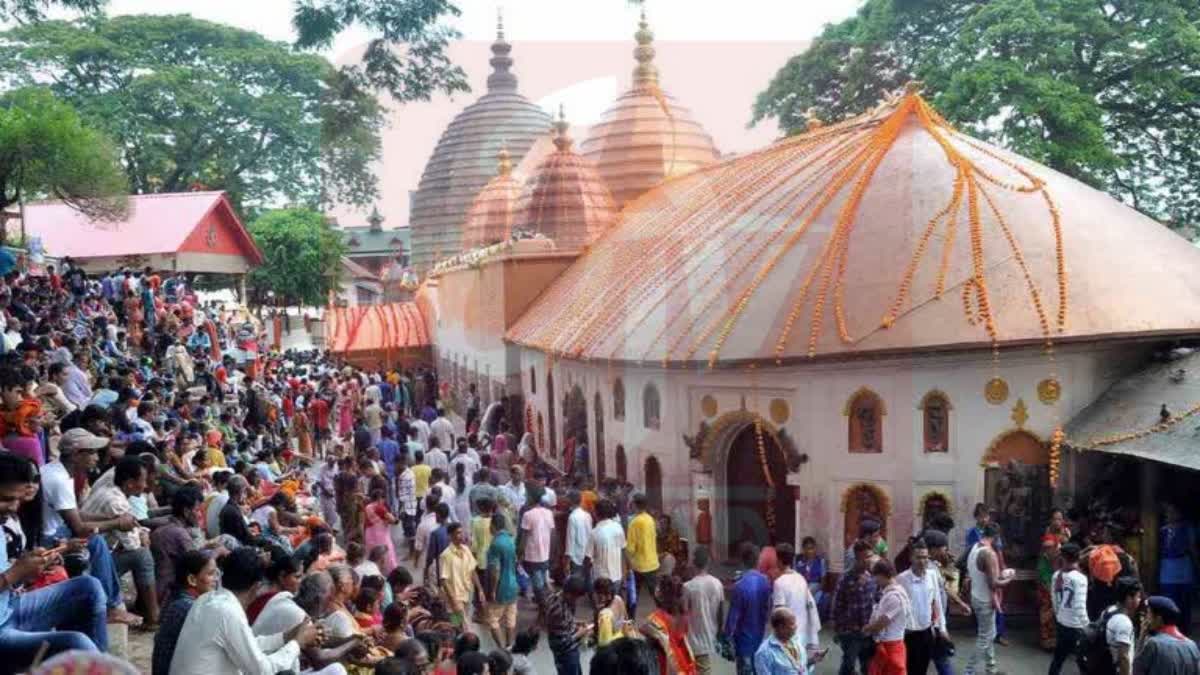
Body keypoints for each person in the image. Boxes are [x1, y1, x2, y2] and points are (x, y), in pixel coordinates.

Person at [0, 451, 108, 667]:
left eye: (18, 500)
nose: (14, 507)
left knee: (89, 588)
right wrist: (16, 573)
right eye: (6, 499)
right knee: (75, 644)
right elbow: (9, 576)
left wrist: (30, 566)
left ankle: (100, 664)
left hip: (10, 608)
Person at [168, 546, 322, 674]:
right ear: (257, 587)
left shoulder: (208, 600)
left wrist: (286, 637)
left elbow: (248, 644)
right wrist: (297, 643)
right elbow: (262, 670)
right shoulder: (226, 611)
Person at [152, 550, 217, 675]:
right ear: (192, 579)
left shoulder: (176, 598)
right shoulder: (188, 608)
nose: (215, 580)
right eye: (210, 574)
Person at [964, 524, 1012, 675]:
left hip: (976, 596)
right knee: (985, 637)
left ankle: (991, 668)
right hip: (985, 600)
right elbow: (994, 583)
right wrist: (1010, 578)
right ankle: (969, 671)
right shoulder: (988, 553)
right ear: (996, 537)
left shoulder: (974, 548)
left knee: (988, 633)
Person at [896, 537, 947, 674]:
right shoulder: (902, 579)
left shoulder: (932, 575)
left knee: (922, 669)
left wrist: (942, 628)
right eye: (918, 557)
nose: (922, 561)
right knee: (909, 669)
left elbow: (937, 603)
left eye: (925, 557)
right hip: (908, 634)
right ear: (911, 558)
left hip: (926, 632)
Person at [724, 542, 772, 675]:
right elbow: (769, 610)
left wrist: (726, 637)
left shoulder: (739, 586)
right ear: (758, 560)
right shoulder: (766, 582)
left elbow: (733, 618)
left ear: (742, 560)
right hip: (761, 637)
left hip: (744, 642)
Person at [833, 539, 878, 675]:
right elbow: (837, 606)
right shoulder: (845, 579)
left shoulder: (872, 576)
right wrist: (839, 630)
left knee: (868, 666)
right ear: (858, 559)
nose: (870, 560)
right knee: (848, 665)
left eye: (871, 556)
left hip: (869, 631)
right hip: (851, 632)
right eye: (867, 557)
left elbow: (877, 600)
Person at [640, 575, 698, 675]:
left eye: (658, 590)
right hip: (683, 662)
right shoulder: (683, 615)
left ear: (662, 595)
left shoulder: (656, 618)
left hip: (666, 664)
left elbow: (643, 629)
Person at [772, 543, 822, 654]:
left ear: (779, 561)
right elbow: (810, 605)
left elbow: (779, 614)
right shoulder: (801, 579)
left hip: (788, 636)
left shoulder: (779, 583)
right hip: (802, 634)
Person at [863, 559, 910, 675]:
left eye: (876, 577)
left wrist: (867, 629)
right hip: (889, 645)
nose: (876, 581)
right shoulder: (892, 593)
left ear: (882, 575)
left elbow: (881, 623)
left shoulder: (894, 596)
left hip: (891, 646)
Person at [683, 547, 724, 675]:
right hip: (711, 632)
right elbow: (721, 611)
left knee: (700, 669)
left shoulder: (688, 586)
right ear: (708, 563)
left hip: (694, 636)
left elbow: (684, 612)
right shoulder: (717, 583)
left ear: (693, 563)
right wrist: (719, 631)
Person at [1050, 542, 1089, 675]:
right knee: (1083, 661)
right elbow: (1079, 606)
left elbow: (1054, 599)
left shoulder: (1057, 575)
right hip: (1076, 626)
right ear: (1078, 557)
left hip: (1062, 623)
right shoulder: (1080, 578)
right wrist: (1087, 626)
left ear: (1063, 557)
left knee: (1058, 659)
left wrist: (1058, 616)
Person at [1135, 595, 1200, 675]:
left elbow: (1136, 670)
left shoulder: (1154, 644)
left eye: (1148, 613)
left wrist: (1142, 636)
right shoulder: (1192, 646)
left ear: (1159, 619)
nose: (1146, 618)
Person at [1159, 503, 1197, 634]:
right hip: (1167, 570)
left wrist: (1196, 564)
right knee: (1170, 600)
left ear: (1179, 514)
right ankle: (1171, 628)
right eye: (1167, 512)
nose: (1169, 515)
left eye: (1172, 511)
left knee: (1184, 601)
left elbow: (1192, 549)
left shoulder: (1187, 528)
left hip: (1183, 568)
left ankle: (1185, 630)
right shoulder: (1162, 531)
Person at [439, 522, 484, 629]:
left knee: (458, 625)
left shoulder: (466, 550)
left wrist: (480, 589)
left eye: (462, 533)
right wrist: (453, 600)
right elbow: (444, 581)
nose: (461, 536)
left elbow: (472, 571)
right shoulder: (446, 555)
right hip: (454, 597)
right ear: (450, 536)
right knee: (462, 626)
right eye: (458, 533)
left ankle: (459, 642)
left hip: (467, 594)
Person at [544, 575, 591, 675]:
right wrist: (580, 633)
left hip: (567, 648)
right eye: (576, 598)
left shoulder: (555, 597)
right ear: (570, 594)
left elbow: (564, 621)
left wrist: (576, 622)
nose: (576, 601)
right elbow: (563, 640)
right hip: (565, 651)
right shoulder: (558, 610)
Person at [1095, 576, 1142, 675]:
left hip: (1102, 666)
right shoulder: (1123, 622)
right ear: (1129, 598)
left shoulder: (1108, 610)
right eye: (1138, 596)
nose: (1139, 600)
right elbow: (1123, 657)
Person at [486, 513, 519, 650]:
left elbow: (495, 571)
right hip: (513, 584)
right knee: (510, 618)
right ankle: (510, 646)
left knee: (493, 619)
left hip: (501, 586)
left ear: (492, 526)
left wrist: (493, 590)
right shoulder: (510, 540)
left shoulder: (495, 544)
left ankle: (501, 648)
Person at [756, 607, 821, 674]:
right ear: (781, 627)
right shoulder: (764, 653)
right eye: (792, 624)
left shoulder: (796, 640)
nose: (796, 626)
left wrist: (811, 661)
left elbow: (798, 667)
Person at [625, 493, 659, 610]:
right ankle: (666, 617)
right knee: (656, 595)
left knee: (632, 596)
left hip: (638, 565)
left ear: (635, 504)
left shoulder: (634, 522)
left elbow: (630, 548)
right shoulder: (650, 519)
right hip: (652, 563)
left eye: (631, 502)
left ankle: (630, 621)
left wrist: (627, 566)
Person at [519, 490, 555, 595]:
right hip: (545, 552)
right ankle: (544, 601)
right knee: (542, 579)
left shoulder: (527, 515)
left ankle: (543, 604)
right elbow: (552, 533)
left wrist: (520, 553)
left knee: (537, 583)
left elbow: (524, 537)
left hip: (532, 554)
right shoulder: (549, 513)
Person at [587, 498, 626, 585]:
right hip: (617, 576)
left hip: (600, 580)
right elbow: (623, 551)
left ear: (596, 513)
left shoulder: (594, 532)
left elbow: (588, 558)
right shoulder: (618, 527)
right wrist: (624, 573)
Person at [796, 536, 830, 619]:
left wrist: (819, 589)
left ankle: (808, 612)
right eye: (807, 549)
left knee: (810, 588)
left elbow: (823, 581)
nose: (810, 551)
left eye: (812, 548)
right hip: (801, 585)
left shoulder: (820, 561)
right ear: (803, 549)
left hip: (815, 585)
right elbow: (795, 576)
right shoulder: (798, 560)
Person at [1037, 534, 1060, 650]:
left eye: (1050, 547)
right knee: (1046, 618)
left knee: (1055, 619)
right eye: (1046, 547)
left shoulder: (1059, 557)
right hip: (1046, 593)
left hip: (1056, 592)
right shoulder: (1043, 560)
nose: (1048, 549)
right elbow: (1043, 578)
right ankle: (1046, 643)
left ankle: (1055, 642)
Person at [565, 490, 592, 584]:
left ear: (570, 501)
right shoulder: (587, 515)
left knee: (577, 585)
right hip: (588, 554)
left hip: (576, 556)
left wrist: (567, 561)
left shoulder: (572, 517)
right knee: (587, 581)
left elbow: (570, 540)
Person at [593, 576, 628, 648]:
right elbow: (625, 619)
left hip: (613, 648)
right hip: (622, 640)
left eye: (596, 593)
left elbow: (604, 643)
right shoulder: (618, 599)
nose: (594, 595)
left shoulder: (605, 615)